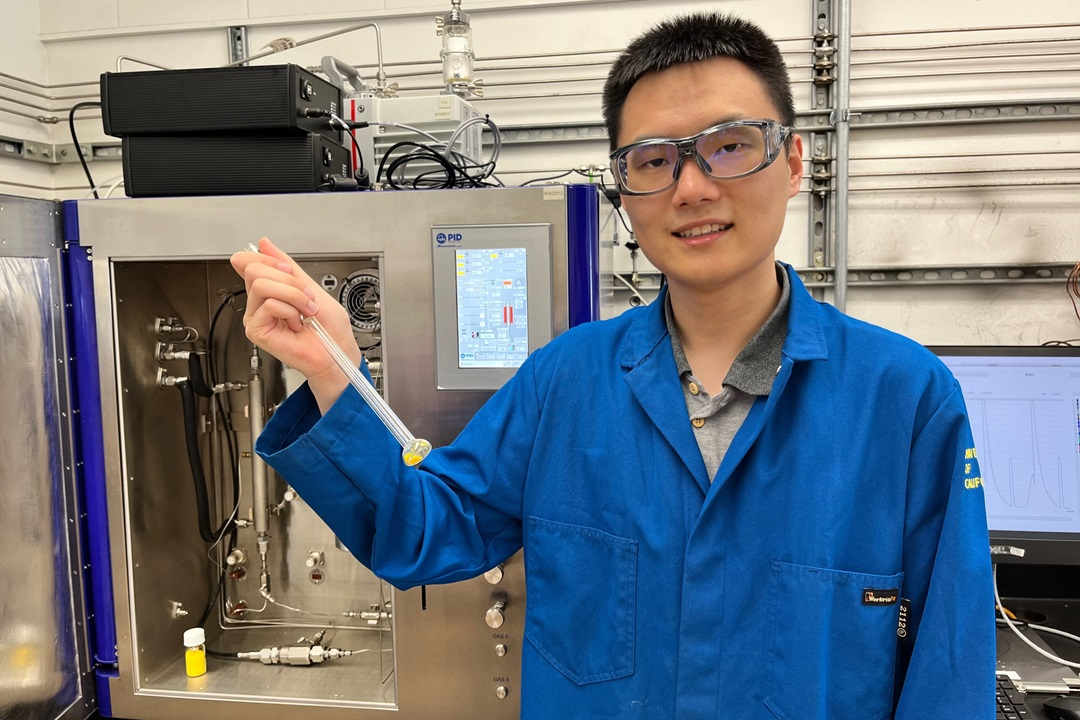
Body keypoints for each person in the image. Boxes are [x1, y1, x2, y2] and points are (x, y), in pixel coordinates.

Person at [231, 12, 994, 719]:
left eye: (730, 145)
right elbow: (422, 533)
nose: (692, 188)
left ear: (792, 161)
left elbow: (949, 668)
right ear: (626, 194)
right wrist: (332, 368)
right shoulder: (564, 384)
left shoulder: (903, 400)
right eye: (654, 160)